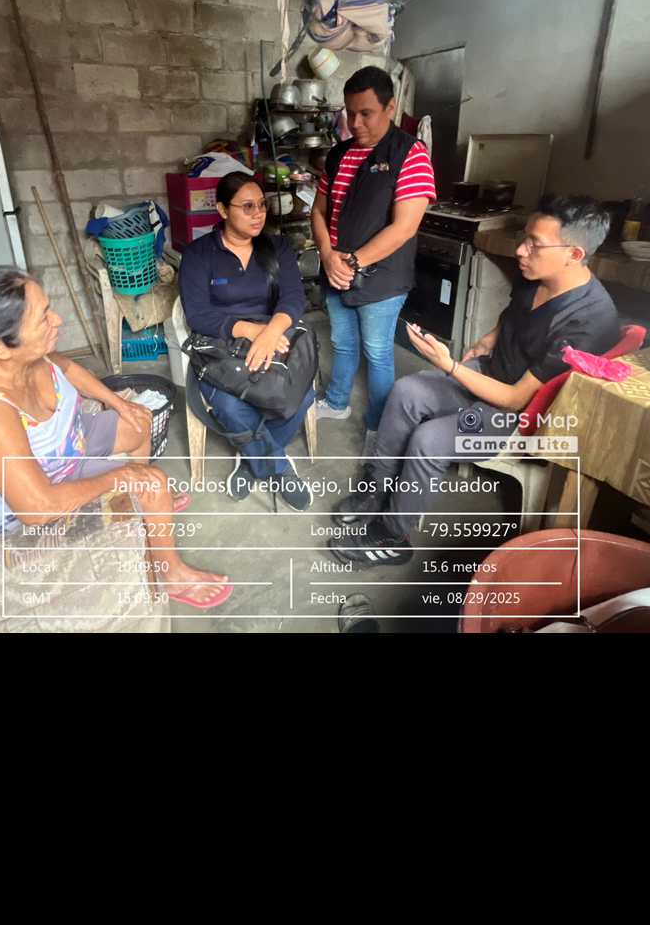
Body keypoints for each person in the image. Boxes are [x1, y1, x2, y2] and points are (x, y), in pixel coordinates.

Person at [329, 195, 622, 565]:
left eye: (535, 244)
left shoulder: (588, 320)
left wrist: (450, 366)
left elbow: (516, 399)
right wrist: (489, 338)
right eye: (524, 237)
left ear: (574, 254)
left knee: (429, 439)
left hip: (519, 416)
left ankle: (393, 535)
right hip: (491, 373)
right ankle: (379, 487)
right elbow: (513, 311)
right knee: (405, 390)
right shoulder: (535, 272)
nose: (521, 250)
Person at [0, 266, 231, 608]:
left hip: (58, 455)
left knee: (138, 423)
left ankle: (144, 508)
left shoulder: (14, 348)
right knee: (151, 482)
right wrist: (123, 476)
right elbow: (37, 508)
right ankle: (171, 574)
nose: (57, 319)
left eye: (48, 309)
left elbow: (66, 367)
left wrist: (118, 402)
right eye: (44, 318)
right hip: (11, 518)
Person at [309, 67, 436, 454]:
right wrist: (327, 255)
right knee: (342, 343)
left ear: (390, 107)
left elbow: (404, 227)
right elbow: (318, 210)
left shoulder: (410, 154)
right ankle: (336, 402)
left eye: (366, 113)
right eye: (350, 113)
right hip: (336, 269)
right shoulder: (338, 154)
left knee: (377, 351)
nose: (356, 123)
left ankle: (381, 426)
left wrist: (350, 262)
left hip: (381, 276)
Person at [178, 171, 314, 509]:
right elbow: (197, 315)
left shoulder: (278, 247)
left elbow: (294, 297)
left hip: (274, 335)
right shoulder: (198, 254)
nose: (258, 214)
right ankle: (276, 466)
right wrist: (250, 331)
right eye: (247, 206)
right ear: (223, 210)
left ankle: (251, 460)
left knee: (301, 393)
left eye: (262, 205)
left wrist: (271, 331)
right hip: (222, 342)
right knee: (228, 405)